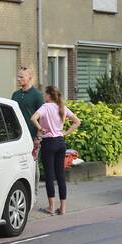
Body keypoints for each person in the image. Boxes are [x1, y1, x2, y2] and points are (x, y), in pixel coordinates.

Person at [30, 86, 81, 216]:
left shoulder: (45, 107)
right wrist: (65, 133)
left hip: (48, 143)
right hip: (60, 142)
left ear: (48, 95)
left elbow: (33, 118)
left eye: (45, 94)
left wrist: (40, 128)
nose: (43, 97)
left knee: (49, 176)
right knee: (60, 176)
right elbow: (77, 121)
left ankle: (51, 207)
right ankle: (62, 208)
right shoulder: (61, 107)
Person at [11, 67, 44, 145]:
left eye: (21, 77)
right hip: (17, 136)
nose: (18, 79)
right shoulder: (15, 94)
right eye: (18, 77)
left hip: (31, 136)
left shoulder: (37, 95)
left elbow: (42, 117)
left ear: (30, 77)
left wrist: (38, 136)